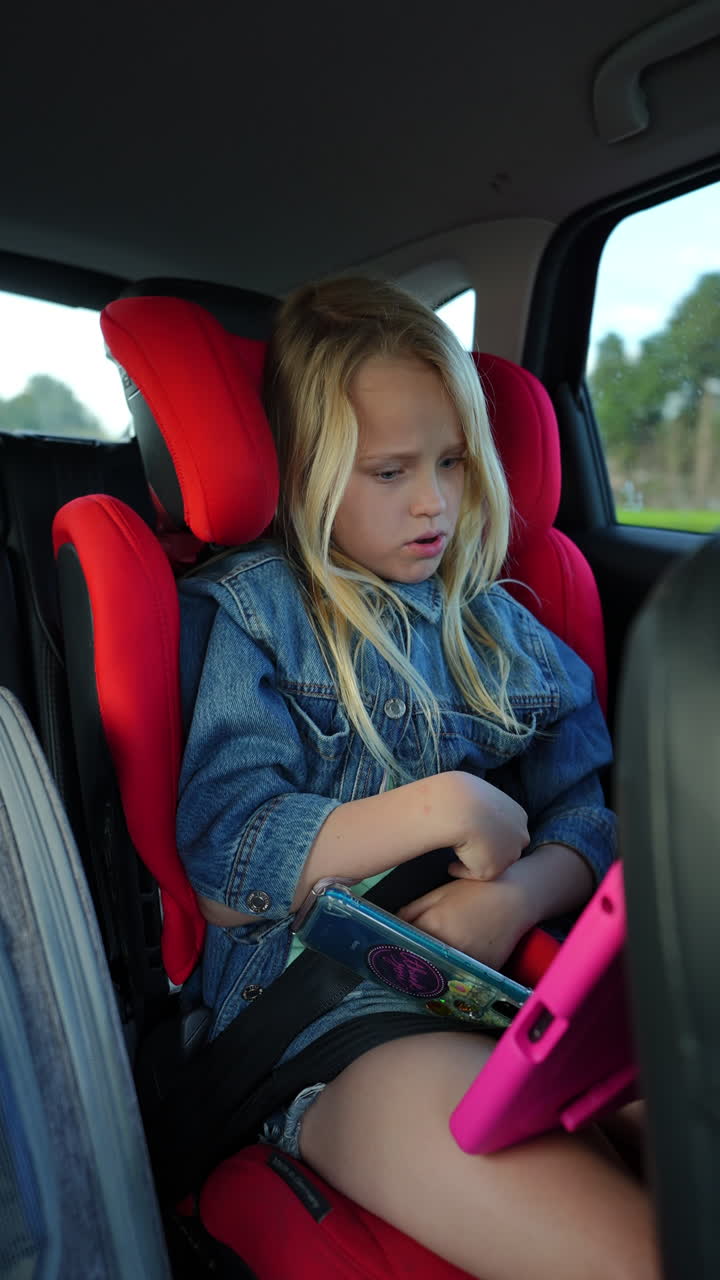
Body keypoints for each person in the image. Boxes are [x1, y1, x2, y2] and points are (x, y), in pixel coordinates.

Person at [176, 278, 658, 1279]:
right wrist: (441, 805)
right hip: (330, 1020)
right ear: (304, 471)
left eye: (450, 461)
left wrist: (517, 894)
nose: (435, 500)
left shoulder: (495, 619)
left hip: (513, 974)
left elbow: (590, 820)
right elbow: (228, 865)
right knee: (639, 1253)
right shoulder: (258, 612)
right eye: (391, 470)